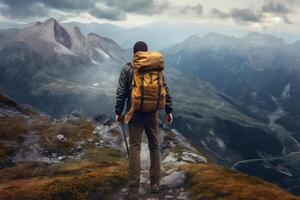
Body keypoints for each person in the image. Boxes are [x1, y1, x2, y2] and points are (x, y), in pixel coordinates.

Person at [115, 41, 173, 199]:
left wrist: (118, 112)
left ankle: (134, 187)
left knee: (134, 147)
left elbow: (121, 92)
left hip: (134, 113)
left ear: (134, 53)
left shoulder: (128, 68)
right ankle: (155, 184)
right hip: (152, 113)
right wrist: (168, 110)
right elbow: (164, 88)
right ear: (146, 53)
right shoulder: (156, 69)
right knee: (154, 146)